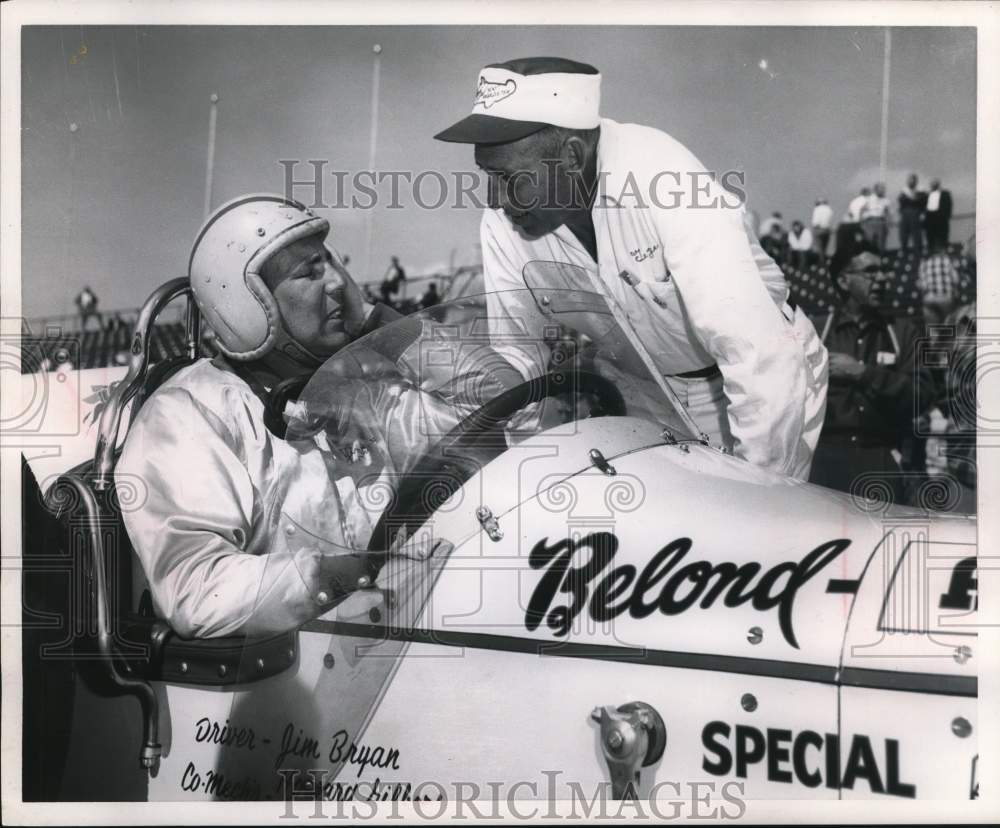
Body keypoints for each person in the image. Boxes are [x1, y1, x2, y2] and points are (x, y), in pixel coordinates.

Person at [116, 195, 504, 639]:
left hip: (399, 644)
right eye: (310, 272)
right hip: (284, 682)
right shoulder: (188, 415)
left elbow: (502, 405)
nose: (340, 283)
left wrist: (385, 326)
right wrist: (335, 577)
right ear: (248, 303)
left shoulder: (360, 387)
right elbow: (197, 590)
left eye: (333, 263)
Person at [435, 57, 828, 479]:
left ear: (571, 156)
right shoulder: (503, 222)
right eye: (486, 175)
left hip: (757, 382)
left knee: (751, 533)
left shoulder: (665, 175)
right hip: (645, 390)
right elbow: (517, 356)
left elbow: (758, 354)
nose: (494, 198)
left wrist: (760, 493)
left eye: (508, 177)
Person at [808, 231, 929, 504]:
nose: (883, 278)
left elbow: (921, 395)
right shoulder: (817, 331)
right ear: (843, 280)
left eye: (885, 271)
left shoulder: (903, 332)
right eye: (871, 271)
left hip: (881, 459)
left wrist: (862, 372)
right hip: (824, 461)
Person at [917, 242, 962, 326]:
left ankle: (933, 337)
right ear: (943, 250)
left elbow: (922, 285)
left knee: (932, 327)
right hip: (945, 298)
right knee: (949, 325)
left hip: (929, 299)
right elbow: (956, 280)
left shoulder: (924, 262)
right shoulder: (949, 260)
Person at [897, 172, 926, 257]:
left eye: (912, 179)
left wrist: (911, 199)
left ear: (916, 181)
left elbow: (919, 201)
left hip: (915, 213)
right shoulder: (903, 191)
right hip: (905, 214)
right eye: (909, 179)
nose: (910, 181)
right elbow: (901, 201)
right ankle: (904, 251)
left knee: (916, 234)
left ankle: (918, 253)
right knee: (903, 234)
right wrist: (911, 199)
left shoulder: (921, 191)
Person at [861, 182, 891, 253]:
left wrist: (887, 226)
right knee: (869, 244)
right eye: (881, 188)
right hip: (869, 222)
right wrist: (862, 225)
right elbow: (861, 211)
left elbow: (887, 214)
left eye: (884, 189)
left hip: (881, 223)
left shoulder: (886, 200)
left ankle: (879, 261)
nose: (883, 190)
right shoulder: (868, 199)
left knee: (881, 245)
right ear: (876, 189)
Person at [924, 178, 953, 251]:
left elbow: (949, 204)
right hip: (930, 216)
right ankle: (930, 249)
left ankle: (945, 248)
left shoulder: (945, 193)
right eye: (932, 184)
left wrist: (947, 216)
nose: (933, 185)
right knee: (930, 233)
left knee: (943, 233)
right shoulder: (927, 194)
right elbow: (924, 205)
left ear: (938, 185)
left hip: (941, 216)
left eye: (935, 184)